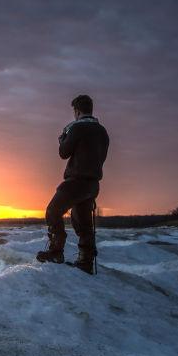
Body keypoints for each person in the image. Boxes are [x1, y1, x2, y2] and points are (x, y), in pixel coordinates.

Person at [36, 94, 109, 274]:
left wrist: (62, 140)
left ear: (77, 111)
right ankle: (85, 262)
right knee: (82, 222)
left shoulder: (77, 128)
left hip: (76, 180)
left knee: (53, 211)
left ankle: (56, 252)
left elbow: (63, 152)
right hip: (92, 184)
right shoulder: (103, 131)